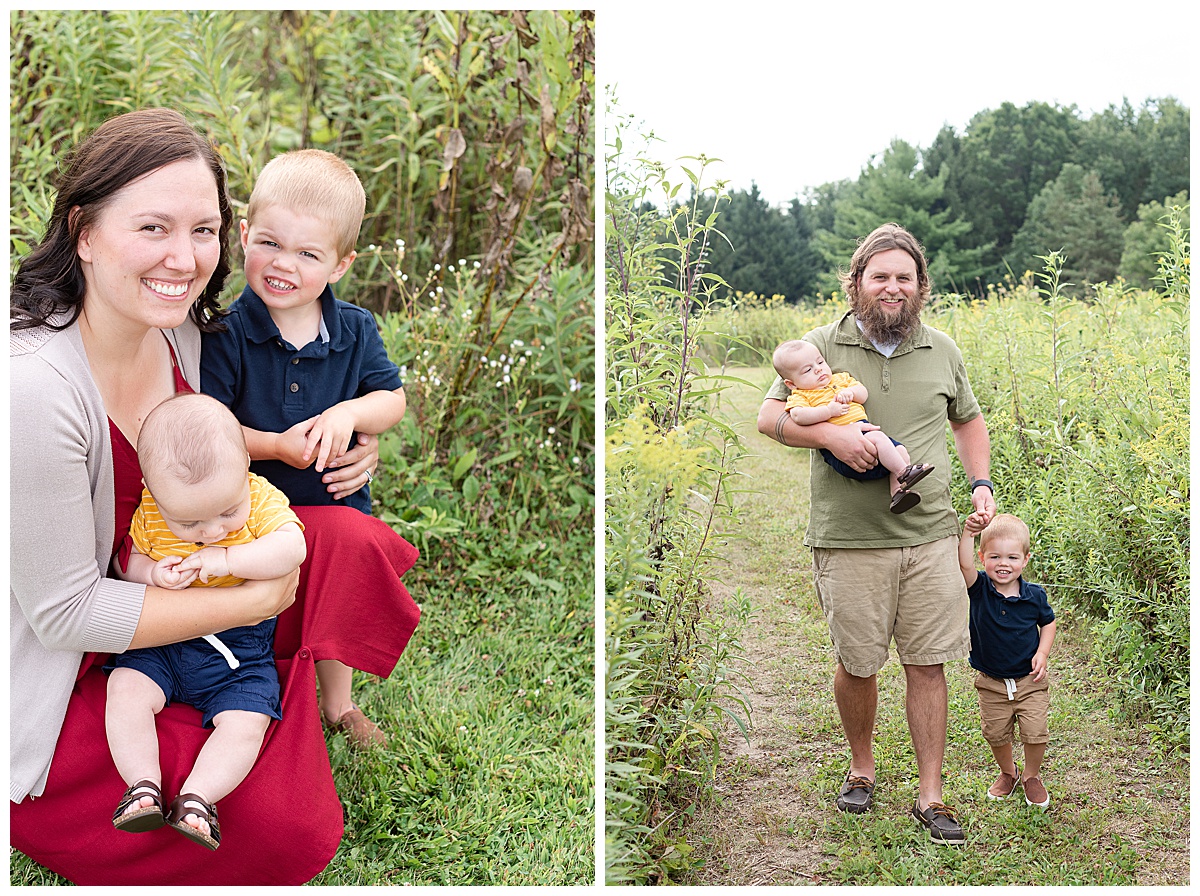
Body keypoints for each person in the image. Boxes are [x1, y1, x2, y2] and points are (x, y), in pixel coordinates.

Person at [10, 108, 420, 886]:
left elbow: (245, 450)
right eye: (154, 227)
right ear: (85, 231)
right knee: (279, 827)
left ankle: (288, 688)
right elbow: (62, 613)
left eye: (203, 230)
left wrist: (348, 442)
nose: (184, 257)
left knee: (346, 537)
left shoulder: (186, 335)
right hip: (75, 653)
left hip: (187, 577)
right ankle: (248, 688)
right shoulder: (33, 385)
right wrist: (252, 599)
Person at [757, 223, 996, 845]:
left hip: (931, 532)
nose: (892, 288)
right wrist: (830, 435)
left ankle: (932, 796)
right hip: (849, 534)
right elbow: (768, 417)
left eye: (904, 277)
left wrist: (980, 483)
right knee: (858, 663)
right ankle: (862, 769)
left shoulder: (942, 349)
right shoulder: (817, 346)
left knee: (927, 662)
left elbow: (967, 422)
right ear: (857, 280)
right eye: (880, 276)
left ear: (920, 286)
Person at [200, 148, 408, 748]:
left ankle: (339, 705)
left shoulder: (354, 330)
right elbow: (211, 427)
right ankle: (257, 686)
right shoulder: (228, 334)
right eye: (269, 243)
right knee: (263, 609)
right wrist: (275, 445)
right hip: (255, 509)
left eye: (307, 253)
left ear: (341, 264)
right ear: (243, 235)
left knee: (336, 596)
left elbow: (390, 400)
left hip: (335, 504)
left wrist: (350, 412)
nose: (282, 264)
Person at [108, 393, 307, 850]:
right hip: (164, 640)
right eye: (191, 522)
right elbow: (131, 561)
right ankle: (142, 788)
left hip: (239, 651)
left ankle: (199, 800)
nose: (212, 530)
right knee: (125, 690)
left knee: (248, 718)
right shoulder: (154, 511)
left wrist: (231, 557)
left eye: (225, 513)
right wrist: (151, 572)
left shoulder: (258, 500)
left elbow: (291, 547)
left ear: (245, 474)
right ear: (156, 495)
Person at [958, 512, 1056, 809]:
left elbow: (1048, 624)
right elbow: (962, 564)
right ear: (983, 557)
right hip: (991, 682)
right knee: (996, 733)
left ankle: (1031, 776)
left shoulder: (1034, 596)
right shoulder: (980, 590)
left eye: (1012, 557)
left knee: (1035, 731)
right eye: (995, 556)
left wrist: (1042, 653)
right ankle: (1008, 772)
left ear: (1025, 560)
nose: (1004, 564)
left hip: (1029, 680)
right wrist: (968, 532)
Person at [772, 338, 935, 513]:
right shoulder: (801, 395)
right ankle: (904, 473)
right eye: (808, 370)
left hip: (863, 430)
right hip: (840, 449)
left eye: (820, 362)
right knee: (879, 438)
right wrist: (828, 411)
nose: (818, 369)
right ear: (791, 383)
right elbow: (798, 416)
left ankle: (898, 493)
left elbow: (863, 394)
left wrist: (850, 392)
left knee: (900, 450)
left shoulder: (840, 379)